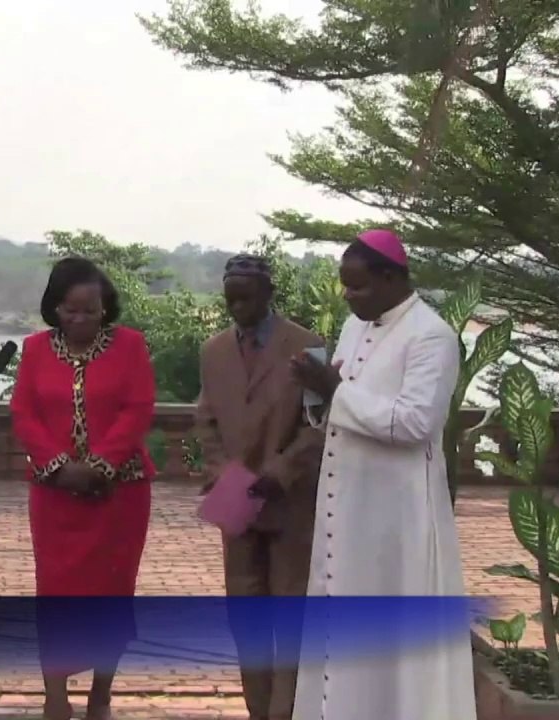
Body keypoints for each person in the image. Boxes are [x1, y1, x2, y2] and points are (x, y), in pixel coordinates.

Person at [288, 230, 476, 720]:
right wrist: (316, 392)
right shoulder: (355, 328)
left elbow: (415, 422)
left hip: (397, 515)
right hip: (347, 508)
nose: (349, 296)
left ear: (392, 278)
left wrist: (336, 389)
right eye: (345, 287)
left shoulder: (431, 335)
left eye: (359, 287)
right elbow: (342, 402)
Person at [9, 257, 156, 720]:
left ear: (104, 308)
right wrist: (59, 467)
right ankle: (56, 695)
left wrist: (100, 466)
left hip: (119, 495)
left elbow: (138, 408)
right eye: (69, 311)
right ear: (54, 308)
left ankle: (101, 696)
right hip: (55, 495)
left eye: (89, 311)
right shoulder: (34, 349)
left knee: (112, 590)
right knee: (55, 591)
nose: (78, 320)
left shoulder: (130, 346)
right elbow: (24, 413)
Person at [193, 254, 324, 720]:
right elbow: (205, 418)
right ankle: (257, 710)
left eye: (246, 298)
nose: (237, 307)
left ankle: (285, 711)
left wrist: (281, 471)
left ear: (269, 293)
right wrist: (221, 472)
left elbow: (320, 425)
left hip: (288, 503)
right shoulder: (212, 352)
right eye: (230, 299)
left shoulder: (309, 347)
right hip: (236, 503)